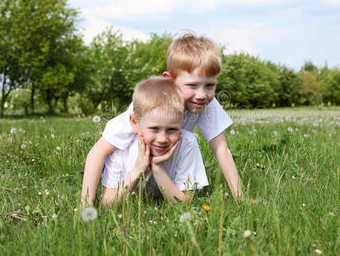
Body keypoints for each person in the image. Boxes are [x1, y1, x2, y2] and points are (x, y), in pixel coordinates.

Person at [81, 32, 242, 206]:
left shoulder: (207, 104)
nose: (202, 95)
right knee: (112, 158)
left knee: (185, 141)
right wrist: (85, 205)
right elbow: (98, 151)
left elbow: (222, 150)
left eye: (209, 85)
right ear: (170, 80)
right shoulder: (150, 107)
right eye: (192, 85)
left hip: (162, 154)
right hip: (127, 157)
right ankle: (97, 175)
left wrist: (241, 198)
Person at [100, 76, 208, 205]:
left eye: (172, 129)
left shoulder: (187, 143)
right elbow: (106, 205)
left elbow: (184, 203)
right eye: (154, 129)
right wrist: (138, 168)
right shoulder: (121, 146)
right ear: (134, 122)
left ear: (182, 121)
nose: (162, 139)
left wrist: (157, 167)